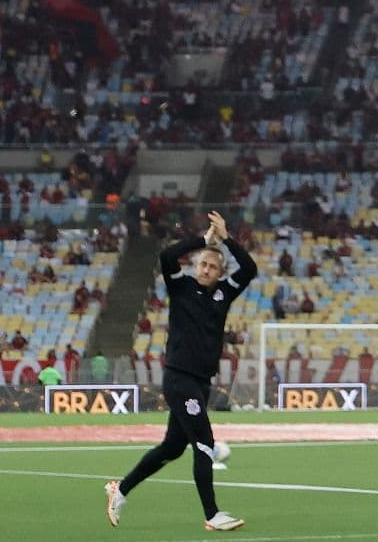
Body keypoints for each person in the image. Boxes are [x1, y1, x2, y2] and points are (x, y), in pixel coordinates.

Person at [105, 212, 255, 532]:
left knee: (172, 447)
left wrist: (226, 239)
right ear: (196, 265)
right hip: (179, 378)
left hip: (200, 382)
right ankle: (213, 514)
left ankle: (121, 489)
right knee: (204, 441)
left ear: (220, 272)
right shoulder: (181, 286)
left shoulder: (224, 292)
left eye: (213, 266)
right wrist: (204, 240)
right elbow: (166, 255)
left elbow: (250, 269)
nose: (206, 269)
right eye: (202, 263)